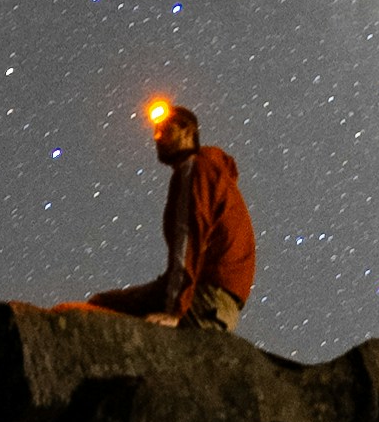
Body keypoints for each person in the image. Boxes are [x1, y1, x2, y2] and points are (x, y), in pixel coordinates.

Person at [87, 94, 256, 330]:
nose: (157, 137)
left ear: (188, 131)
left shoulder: (194, 169)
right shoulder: (212, 173)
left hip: (207, 298)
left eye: (166, 130)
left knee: (99, 308)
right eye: (156, 132)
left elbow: (187, 240)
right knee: (104, 303)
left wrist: (175, 311)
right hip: (221, 302)